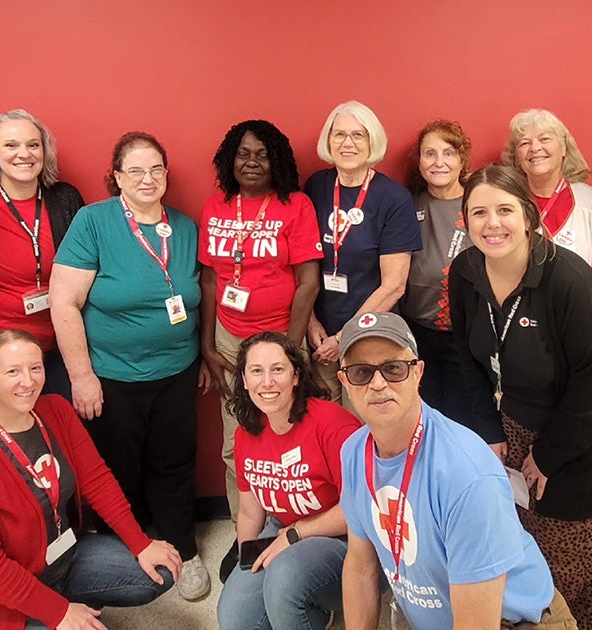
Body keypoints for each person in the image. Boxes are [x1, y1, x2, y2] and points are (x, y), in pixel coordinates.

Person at [449, 165, 592, 630]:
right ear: (465, 221)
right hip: (511, 422)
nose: (492, 223)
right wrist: (489, 430)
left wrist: (549, 456)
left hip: (586, 437)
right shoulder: (465, 272)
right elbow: (467, 358)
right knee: (517, 554)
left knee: (566, 572)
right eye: (479, 213)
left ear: (529, 217)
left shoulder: (569, 281)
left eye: (504, 210)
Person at [335, 311, 576, 630]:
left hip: (513, 622)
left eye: (393, 369)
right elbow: (360, 567)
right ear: (344, 382)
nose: (378, 383)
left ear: (418, 373)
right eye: (361, 372)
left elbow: (477, 624)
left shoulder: (464, 471)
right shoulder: (354, 452)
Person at [50, 131, 210, 600]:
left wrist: (201, 357)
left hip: (177, 371)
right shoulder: (92, 222)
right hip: (112, 376)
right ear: (117, 177)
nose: (147, 178)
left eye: (156, 169)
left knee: (176, 462)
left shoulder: (183, 226)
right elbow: (64, 303)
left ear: (166, 174)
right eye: (135, 170)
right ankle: (131, 551)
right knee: (119, 467)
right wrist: (82, 377)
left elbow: (200, 299)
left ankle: (184, 547)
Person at [0, 329, 183, 630]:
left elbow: (98, 481)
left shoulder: (55, 410)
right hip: (4, 598)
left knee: (160, 570)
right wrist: (59, 612)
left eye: (35, 368)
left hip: (63, 557)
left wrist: (140, 543)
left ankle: (71, 601)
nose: (28, 382)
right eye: (13, 371)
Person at [198, 120, 322, 548]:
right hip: (231, 340)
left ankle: (299, 533)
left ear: (279, 162)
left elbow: (309, 282)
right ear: (229, 159)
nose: (252, 162)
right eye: (243, 153)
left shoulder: (296, 206)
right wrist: (207, 346)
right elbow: (212, 281)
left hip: (284, 336)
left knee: (293, 436)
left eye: (262, 154)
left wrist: (291, 347)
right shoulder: (217, 206)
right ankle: (245, 536)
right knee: (238, 439)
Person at [216, 331, 361, 630]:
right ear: (244, 379)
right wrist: (249, 559)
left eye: (278, 369)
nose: (267, 382)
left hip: (344, 536)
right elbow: (249, 511)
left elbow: (358, 510)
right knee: (234, 619)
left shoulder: (333, 424)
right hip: (284, 528)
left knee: (285, 579)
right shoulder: (246, 434)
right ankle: (309, 611)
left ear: (296, 376)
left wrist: (296, 534)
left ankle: (313, 607)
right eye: (257, 371)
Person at [0, 109, 86, 399]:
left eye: (33, 145)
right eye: (11, 145)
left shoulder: (65, 199)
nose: (23, 154)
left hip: (62, 350)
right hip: (2, 352)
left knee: (65, 435)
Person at [304, 101, 421, 408]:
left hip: (371, 338)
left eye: (358, 135)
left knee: (362, 428)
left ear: (373, 141)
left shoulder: (393, 198)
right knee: (325, 426)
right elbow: (303, 261)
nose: (347, 143)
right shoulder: (317, 185)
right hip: (319, 338)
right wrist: (310, 321)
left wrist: (345, 337)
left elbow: (394, 285)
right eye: (339, 134)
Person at [402, 119, 496, 437]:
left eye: (448, 153)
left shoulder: (479, 201)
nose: (439, 162)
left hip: (467, 333)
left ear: (462, 160)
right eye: (429, 154)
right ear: (419, 162)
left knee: (464, 419)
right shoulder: (407, 204)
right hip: (418, 332)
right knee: (423, 417)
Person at [502, 109, 592, 312]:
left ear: (564, 148)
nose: (535, 148)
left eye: (545, 139)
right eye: (524, 143)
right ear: (517, 157)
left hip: (577, 324)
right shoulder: (503, 202)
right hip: (517, 324)